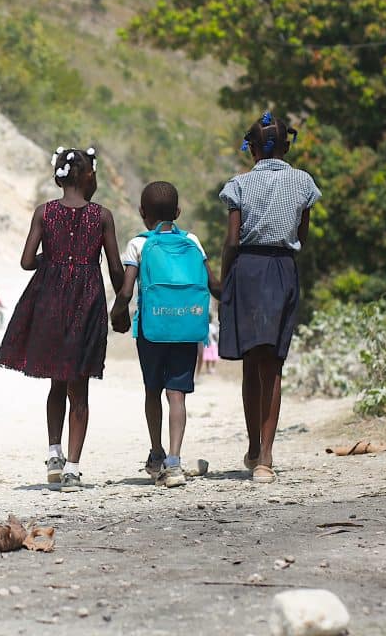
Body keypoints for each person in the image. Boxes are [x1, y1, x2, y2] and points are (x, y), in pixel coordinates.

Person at [0, 146, 124, 492]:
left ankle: (54, 455)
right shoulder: (102, 216)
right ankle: (74, 469)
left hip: (49, 300)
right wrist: (123, 302)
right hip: (86, 301)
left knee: (56, 381)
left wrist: (52, 259)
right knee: (78, 387)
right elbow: (113, 267)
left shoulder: (44, 212)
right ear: (88, 177)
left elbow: (25, 261)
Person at [219, 111, 321, 484]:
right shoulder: (303, 182)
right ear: (286, 145)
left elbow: (232, 241)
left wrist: (224, 277)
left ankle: (252, 447)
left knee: (251, 361)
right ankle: (266, 455)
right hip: (282, 269)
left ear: (253, 149)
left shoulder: (239, 185)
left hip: (247, 268)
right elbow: (302, 234)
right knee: (273, 364)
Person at [110, 182, 220, 487]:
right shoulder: (193, 242)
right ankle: (174, 461)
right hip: (187, 329)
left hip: (152, 330)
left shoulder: (139, 245)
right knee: (177, 396)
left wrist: (116, 315)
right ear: (179, 212)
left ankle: (156, 452)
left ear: (142, 213)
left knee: (152, 391)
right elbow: (213, 285)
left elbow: (127, 291)